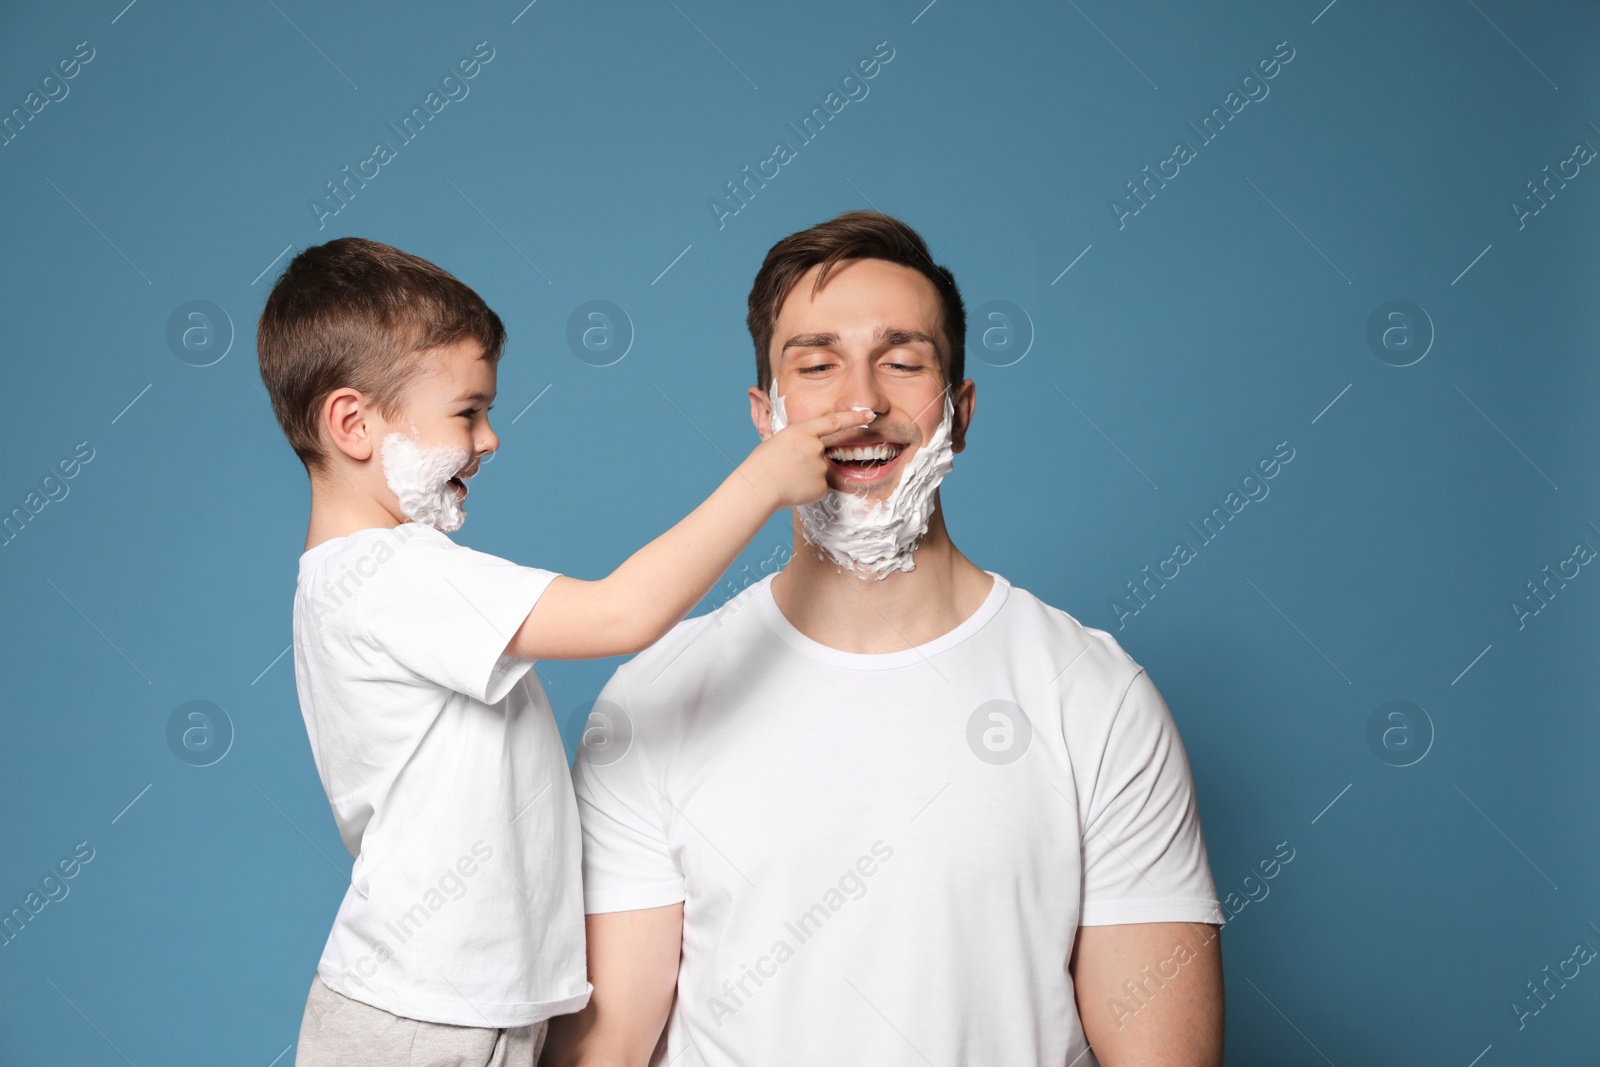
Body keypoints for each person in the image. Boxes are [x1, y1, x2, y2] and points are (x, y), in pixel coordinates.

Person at [544, 211, 1226, 1067]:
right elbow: (601, 1054)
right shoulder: (654, 699)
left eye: (904, 363)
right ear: (767, 417)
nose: (861, 403)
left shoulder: (1095, 696)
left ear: (960, 411)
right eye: (817, 364)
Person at [255, 237, 871, 1065]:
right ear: (353, 424)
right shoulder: (388, 575)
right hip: (417, 1021)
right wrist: (763, 480)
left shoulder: (368, 579)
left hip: (465, 1011)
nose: (491, 438)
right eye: (467, 412)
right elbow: (620, 613)